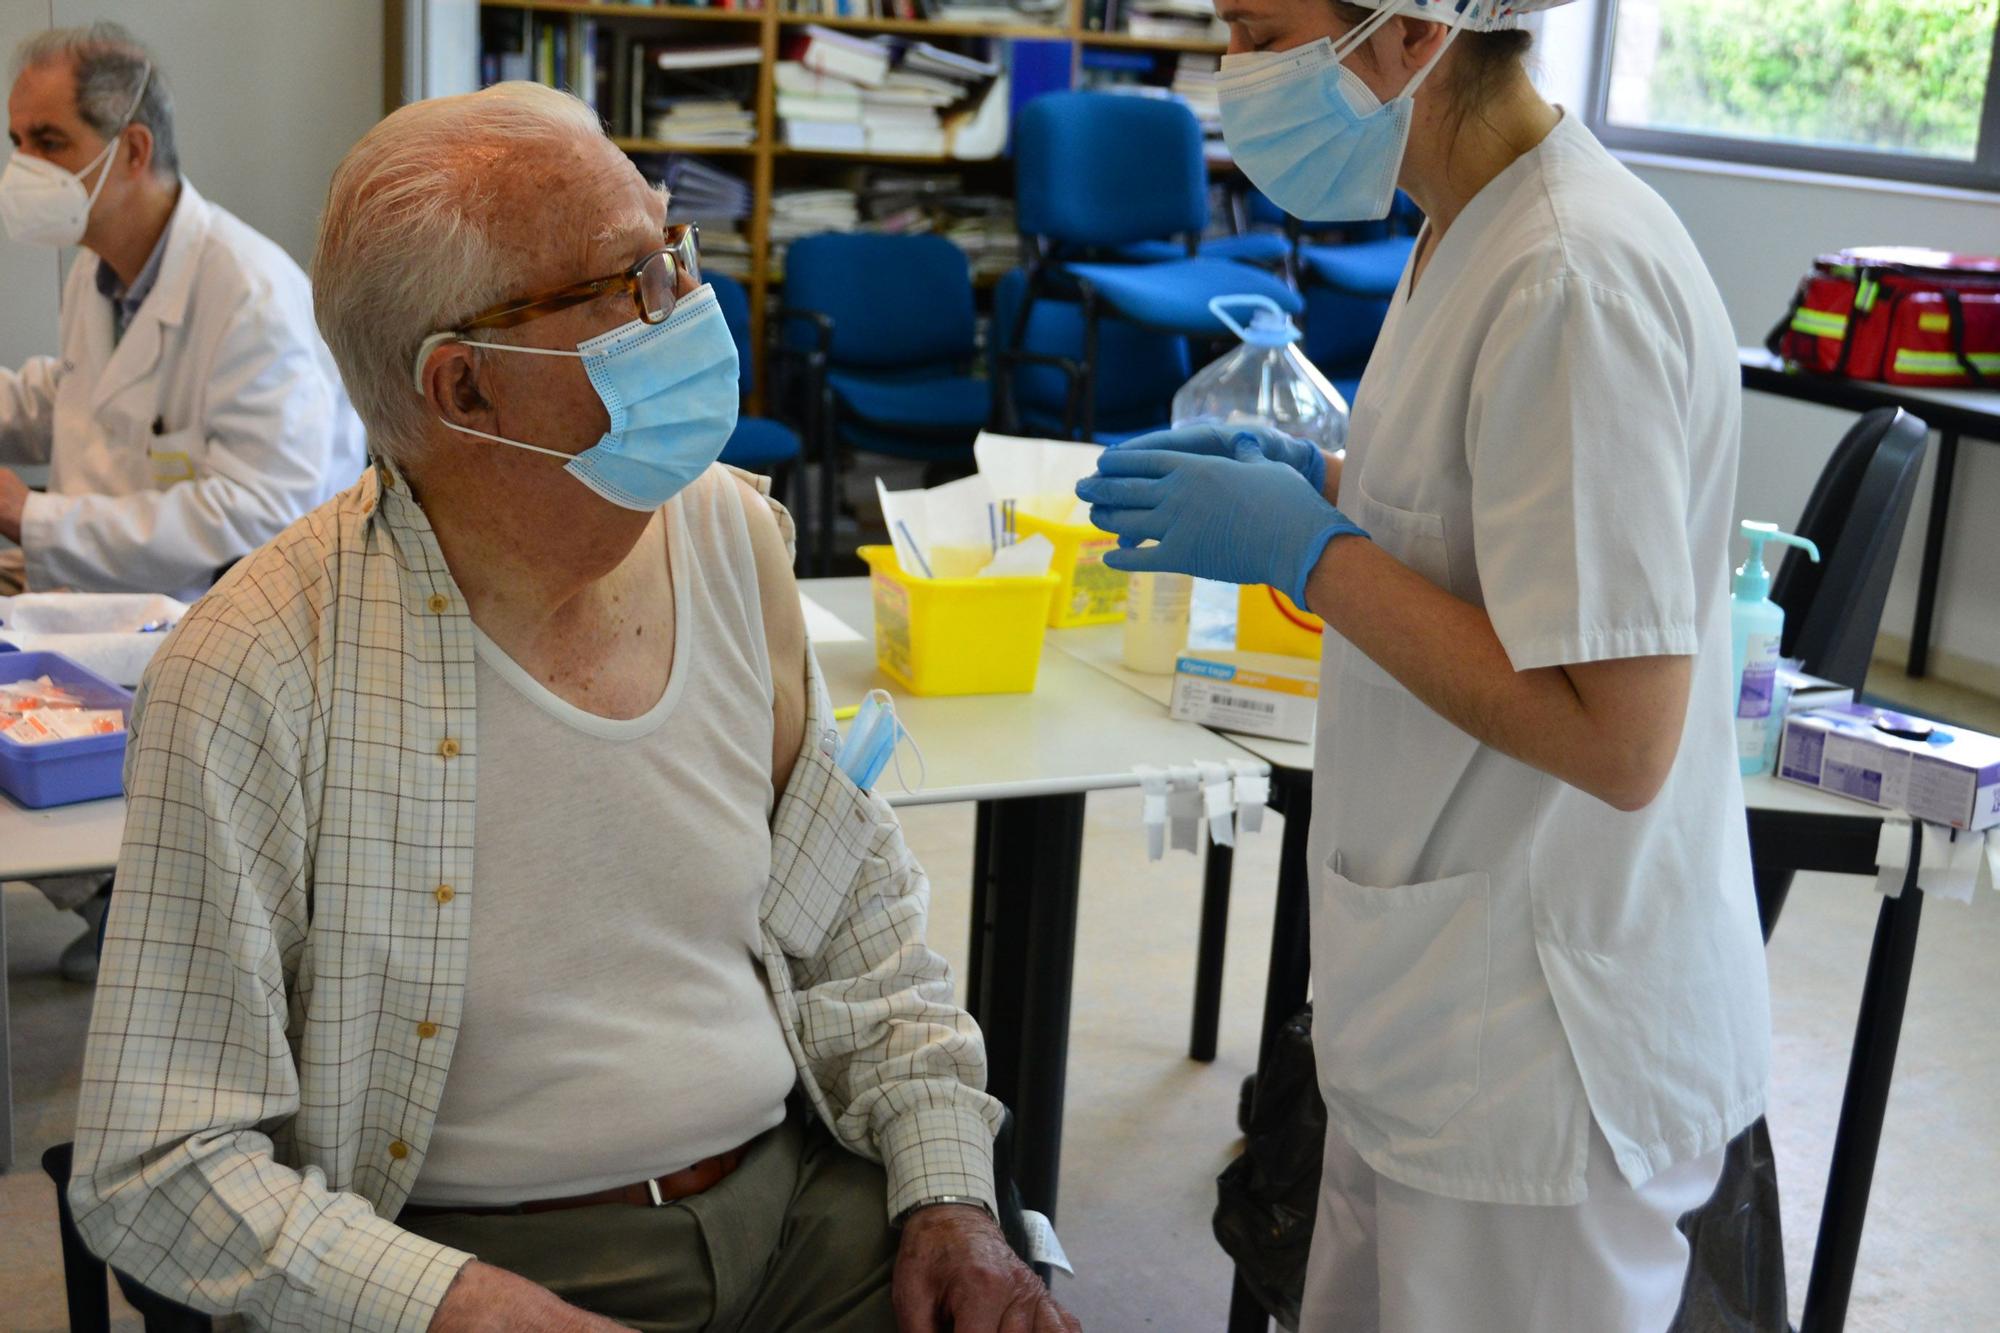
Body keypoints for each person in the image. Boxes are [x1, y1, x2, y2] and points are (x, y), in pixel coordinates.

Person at [68, 83, 1078, 1333]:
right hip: (485, 1259)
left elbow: (857, 932)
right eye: (633, 283)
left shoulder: (733, 541)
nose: (695, 309)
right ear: (466, 386)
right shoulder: (257, 669)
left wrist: (947, 1200)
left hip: (804, 1200)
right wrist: (464, 1310)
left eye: (675, 250)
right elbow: (153, 1164)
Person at [1079, 1, 1766, 1328]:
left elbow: (1620, 740)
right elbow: (1502, 524)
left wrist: (1317, 555)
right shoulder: (1471, 220)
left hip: (1540, 1051)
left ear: (1406, 37)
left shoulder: (1571, 271)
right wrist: (1326, 484)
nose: (1239, 75)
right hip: (1440, 1000)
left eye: (1264, 29)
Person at [0, 23, 365, 981]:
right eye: (16, 144)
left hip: (221, 624)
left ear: (132, 149)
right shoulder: (102, 268)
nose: (22, 167)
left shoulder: (248, 292)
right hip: (117, 602)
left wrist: (28, 518)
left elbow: (266, 507)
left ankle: (159, 904)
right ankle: (124, 896)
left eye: (48, 143)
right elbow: (75, 396)